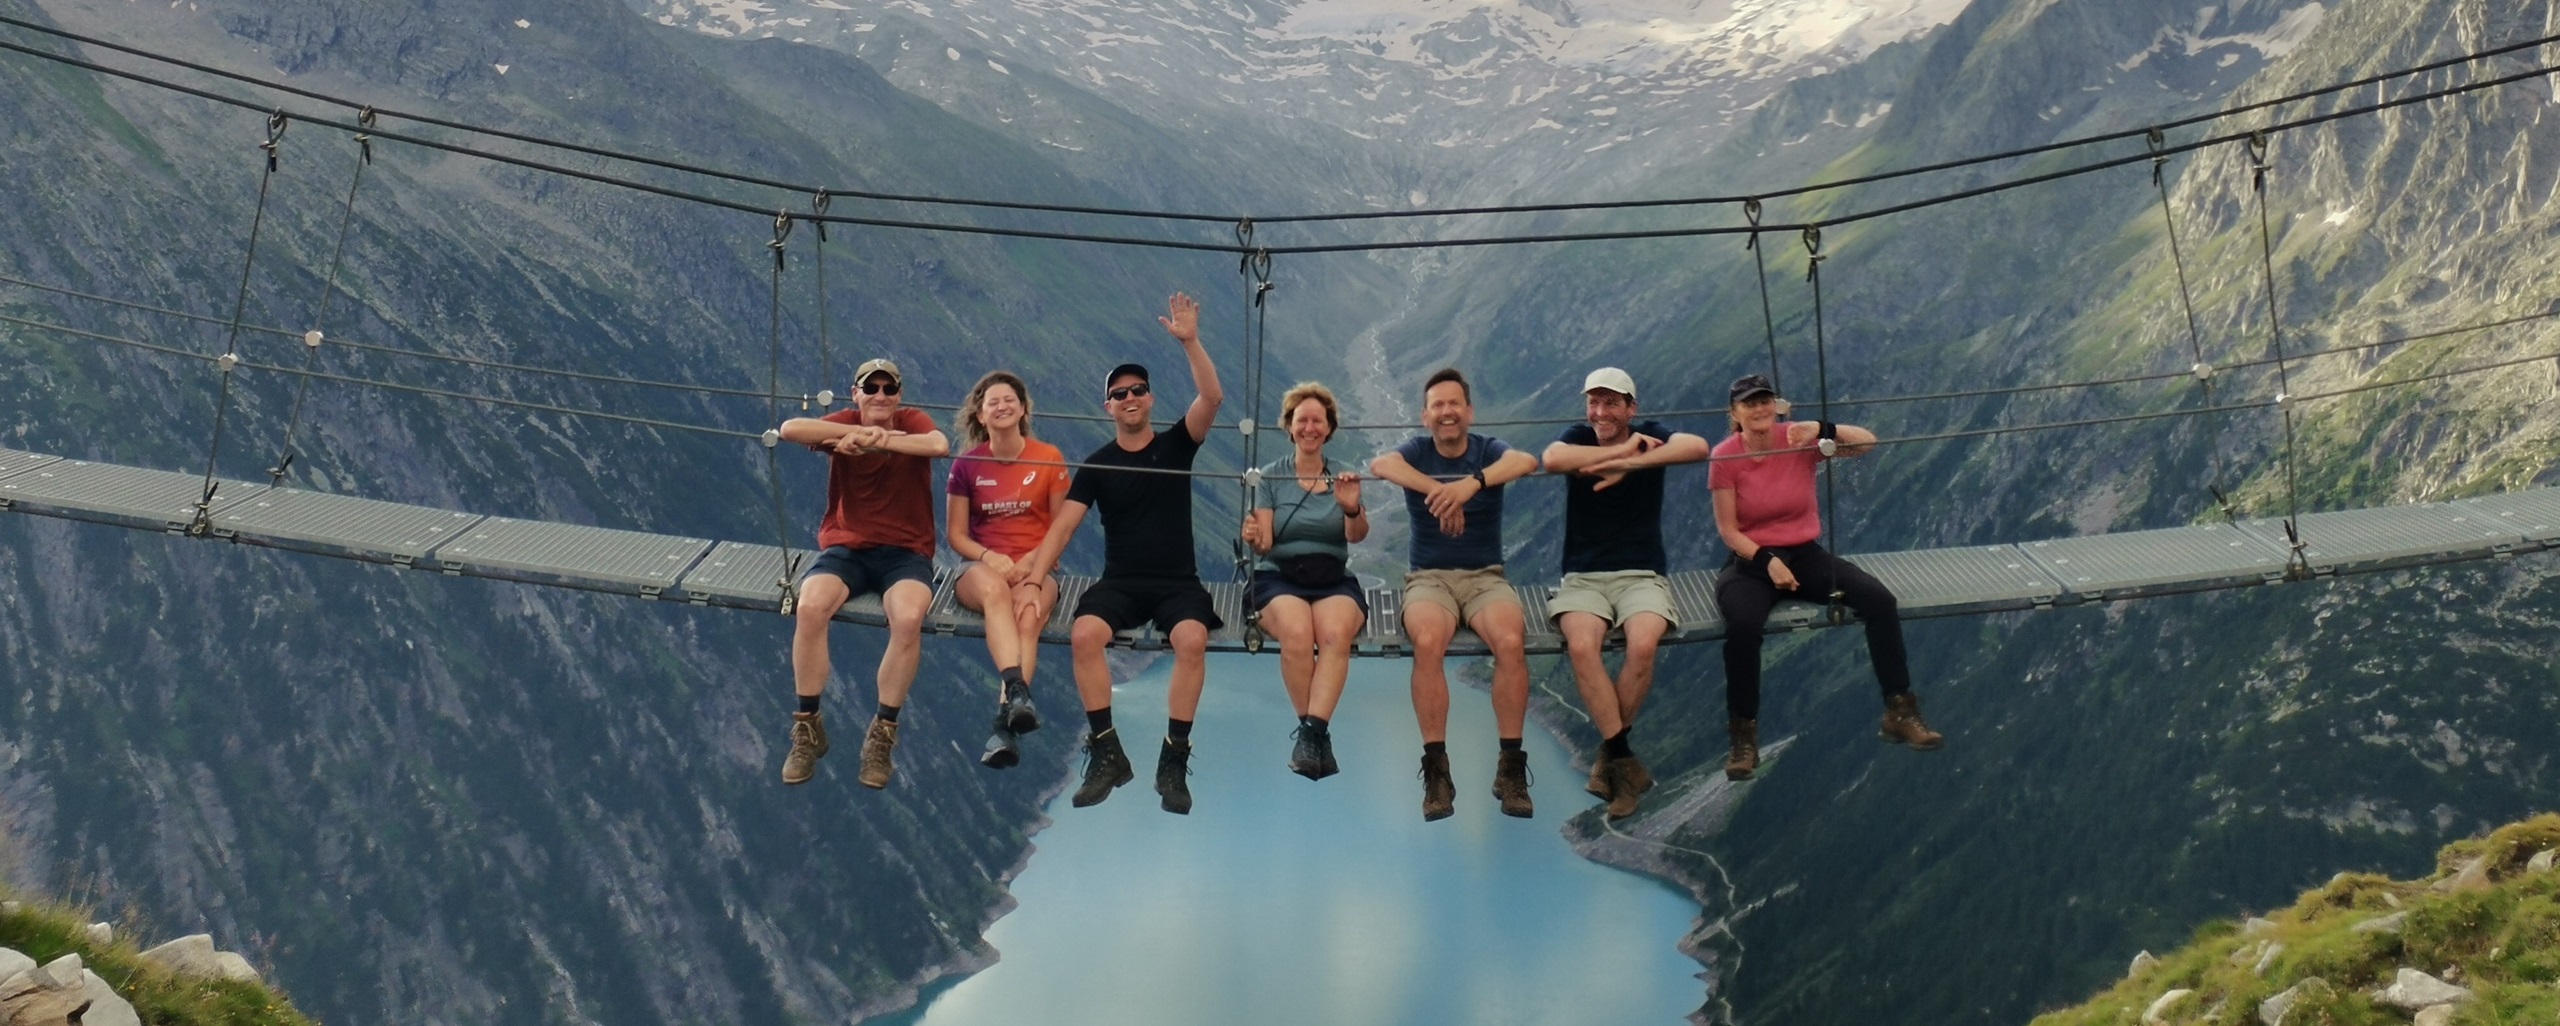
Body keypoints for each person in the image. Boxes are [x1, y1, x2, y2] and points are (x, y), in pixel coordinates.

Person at [1028, 293, 1225, 815]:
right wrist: (1034, 577)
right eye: (1120, 393)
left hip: (1178, 582)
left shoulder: (1178, 445)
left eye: (1139, 389)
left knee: (1191, 639)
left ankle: (1173, 759)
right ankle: (1108, 751)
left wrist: (1190, 342)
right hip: (1121, 581)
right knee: (1085, 634)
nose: (1131, 397)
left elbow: (1212, 399)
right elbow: (1064, 526)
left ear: (1151, 399)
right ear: (1108, 406)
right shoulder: (1096, 465)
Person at [1711, 373, 1939, 781]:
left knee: (1879, 602)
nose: (1759, 409)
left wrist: (1823, 429)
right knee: (1743, 626)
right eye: (1749, 403)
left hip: (1804, 554)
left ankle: (1900, 711)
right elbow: (1729, 530)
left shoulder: (1799, 439)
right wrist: (1766, 561)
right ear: (1734, 413)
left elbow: (1866, 442)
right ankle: (1743, 740)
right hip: (1750, 563)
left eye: (1765, 401)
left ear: (1776, 404)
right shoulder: (1725, 456)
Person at [1369, 368, 1543, 821]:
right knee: (1428, 642)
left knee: (1509, 641)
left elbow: (1526, 461)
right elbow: (1381, 465)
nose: (1447, 413)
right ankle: (1437, 770)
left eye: (1454, 404)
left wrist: (1472, 484)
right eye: (1438, 406)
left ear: (1469, 411)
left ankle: (1510, 767)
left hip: (1486, 576)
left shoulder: (1488, 451)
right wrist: (1439, 490)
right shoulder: (1417, 451)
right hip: (1428, 578)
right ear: (1425, 416)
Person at [1539, 367, 1709, 818]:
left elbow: (1699, 448)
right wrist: (1618, 454)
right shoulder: (1578, 435)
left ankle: (1608, 758)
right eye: (1594, 402)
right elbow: (1553, 459)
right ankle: (1621, 755)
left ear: (1632, 408)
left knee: (1644, 643)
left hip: (1641, 574)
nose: (1600, 411)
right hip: (1583, 576)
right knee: (1581, 646)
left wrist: (1630, 460)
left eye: (1612, 402)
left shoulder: (1650, 434)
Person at [775, 357, 951, 788]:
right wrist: (850, 436)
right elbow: (791, 429)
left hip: (906, 552)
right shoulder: (847, 422)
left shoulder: (910, 420)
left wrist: (881, 440)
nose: (880, 396)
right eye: (870, 388)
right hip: (847, 547)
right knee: (811, 607)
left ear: (899, 395)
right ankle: (807, 725)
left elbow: (937, 445)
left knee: (909, 619)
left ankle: (882, 734)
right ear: (854, 394)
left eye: (888, 389)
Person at [1240, 382, 1369, 781]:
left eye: (1318, 420)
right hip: (1279, 576)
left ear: (1329, 428)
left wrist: (1351, 509)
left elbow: (1357, 535)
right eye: (1302, 420)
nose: (1310, 427)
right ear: (1289, 427)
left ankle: (1311, 736)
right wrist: (1252, 536)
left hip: (1332, 578)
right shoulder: (1270, 478)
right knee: (1297, 633)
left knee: (1334, 636)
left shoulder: (1343, 479)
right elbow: (1265, 546)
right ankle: (1314, 734)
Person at [945, 370, 1072, 769]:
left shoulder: (1048, 458)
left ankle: (1004, 729)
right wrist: (989, 558)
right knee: (996, 593)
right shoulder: (966, 465)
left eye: (1009, 400)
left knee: (1028, 615)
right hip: (981, 569)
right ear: (980, 416)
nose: (1001, 406)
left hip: (1037, 566)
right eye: (992, 402)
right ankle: (1017, 692)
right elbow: (956, 535)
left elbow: (1060, 529)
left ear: (1023, 409)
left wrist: (1030, 567)